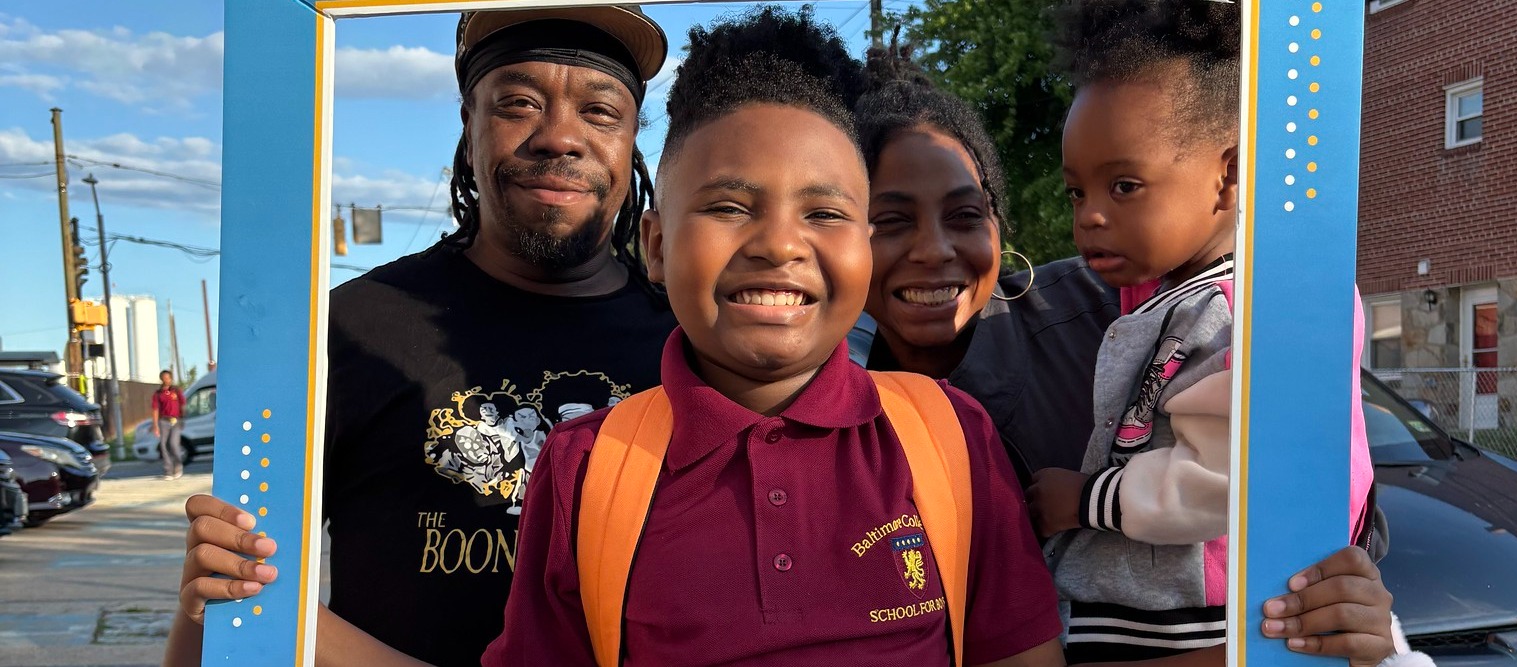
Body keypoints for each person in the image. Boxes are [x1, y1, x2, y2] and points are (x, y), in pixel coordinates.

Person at [482, 6, 1064, 665]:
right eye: (730, 207)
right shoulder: (583, 466)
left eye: (824, 211)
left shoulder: (951, 433)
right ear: (659, 246)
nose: (781, 243)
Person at [852, 23, 1427, 667]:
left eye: (964, 214)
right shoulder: (811, 404)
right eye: (889, 220)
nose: (934, 250)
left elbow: (1301, 495)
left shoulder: (1123, 305)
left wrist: (1351, 615)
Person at [165, 6, 677, 666]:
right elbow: (230, 614)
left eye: (600, 111)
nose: (559, 137)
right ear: (470, 121)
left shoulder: (689, 347)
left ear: (633, 134)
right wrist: (215, 594)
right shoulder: (347, 329)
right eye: (518, 103)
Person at [151, 369, 187, 480]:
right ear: (161, 379)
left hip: (176, 420)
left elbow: (183, 404)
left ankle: (178, 466)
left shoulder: (176, 391)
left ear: (171, 378)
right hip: (164, 421)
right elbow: (155, 409)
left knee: (173, 444)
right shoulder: (158, 394)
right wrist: (155, 425)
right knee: (163, 444)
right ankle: (168, 470)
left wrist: (183, 419)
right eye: (164, 378)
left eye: (168, 378)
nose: (166, 380)